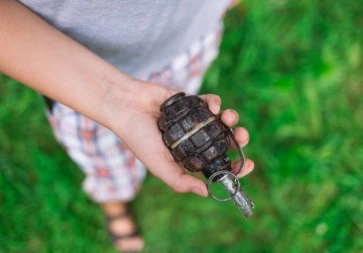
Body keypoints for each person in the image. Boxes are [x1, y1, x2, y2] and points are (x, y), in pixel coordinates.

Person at [0, 1, 254, 252]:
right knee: (103, 157)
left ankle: (116, 194)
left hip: (190, 41)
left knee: (184, 91)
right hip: (79, 79)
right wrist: (116, 100)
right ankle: (114, 199)